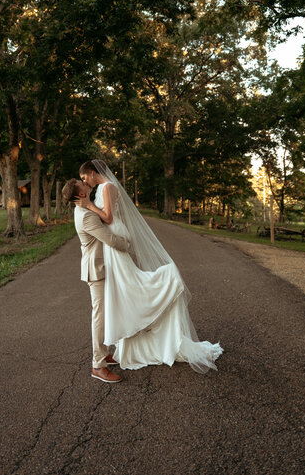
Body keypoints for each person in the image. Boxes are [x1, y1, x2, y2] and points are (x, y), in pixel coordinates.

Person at [75, 159, 223, 373]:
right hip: (110, 242)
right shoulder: (104, 187)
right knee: (123, 289)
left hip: (113, 236)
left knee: (128, 286)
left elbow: (107, 218)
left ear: (91, 172)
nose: (84, 182)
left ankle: (165, 283)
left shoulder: (106, 186)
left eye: (84, 178)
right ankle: (129, 341)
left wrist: (89, 206)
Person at [62, 177, 130, 384]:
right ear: (81, 194)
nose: (84, 181)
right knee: (99, 316)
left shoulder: (86, 208)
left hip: (102, 267)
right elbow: (109, 239)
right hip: (96, 269)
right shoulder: (85, 216)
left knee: (106, 311)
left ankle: (104, 354)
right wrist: (127, 243)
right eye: (80, 183)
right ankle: (98, 365)